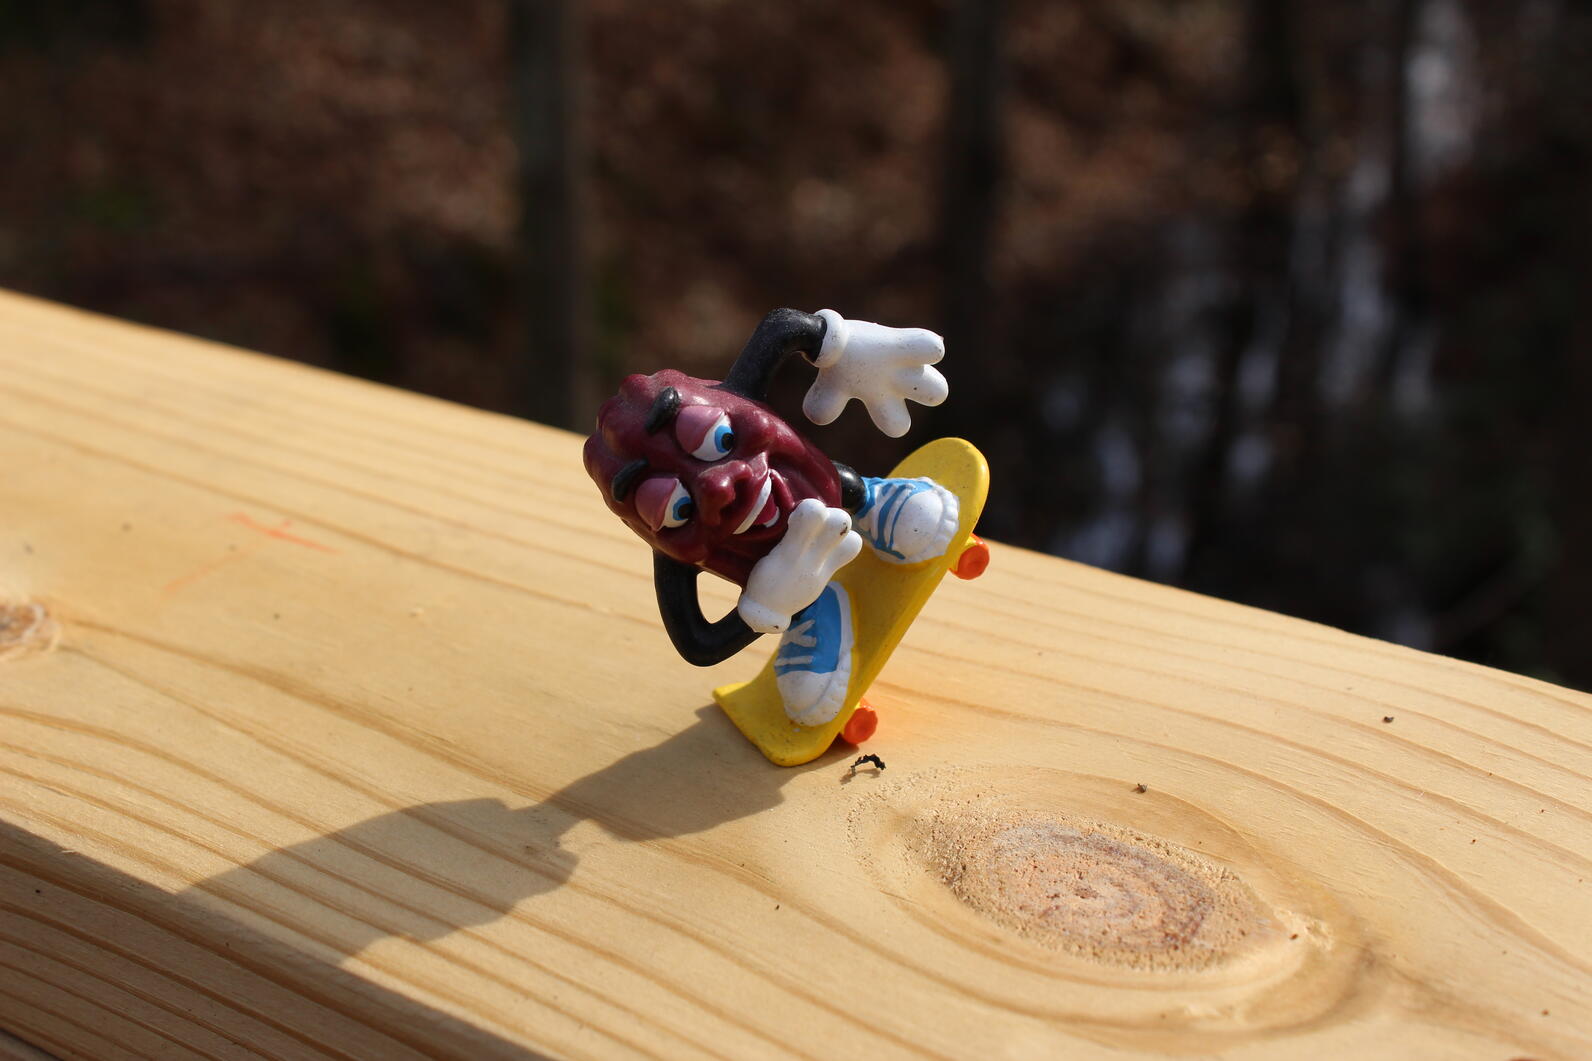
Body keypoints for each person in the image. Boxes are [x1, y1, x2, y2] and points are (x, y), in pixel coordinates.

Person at [584, 309, 956, 726]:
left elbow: (783, 329)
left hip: (831, 489)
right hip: (794, 586)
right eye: (674, 506)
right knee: (801, 601)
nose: (717, 489)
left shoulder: (744, 403)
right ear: (650, 533)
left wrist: (845, 348)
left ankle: (871, 501)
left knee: (834, 486)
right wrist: (768, 605)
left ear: (729, 403)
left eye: (715, 437)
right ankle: (812, 613)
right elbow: (697, 644)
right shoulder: (676, 562)